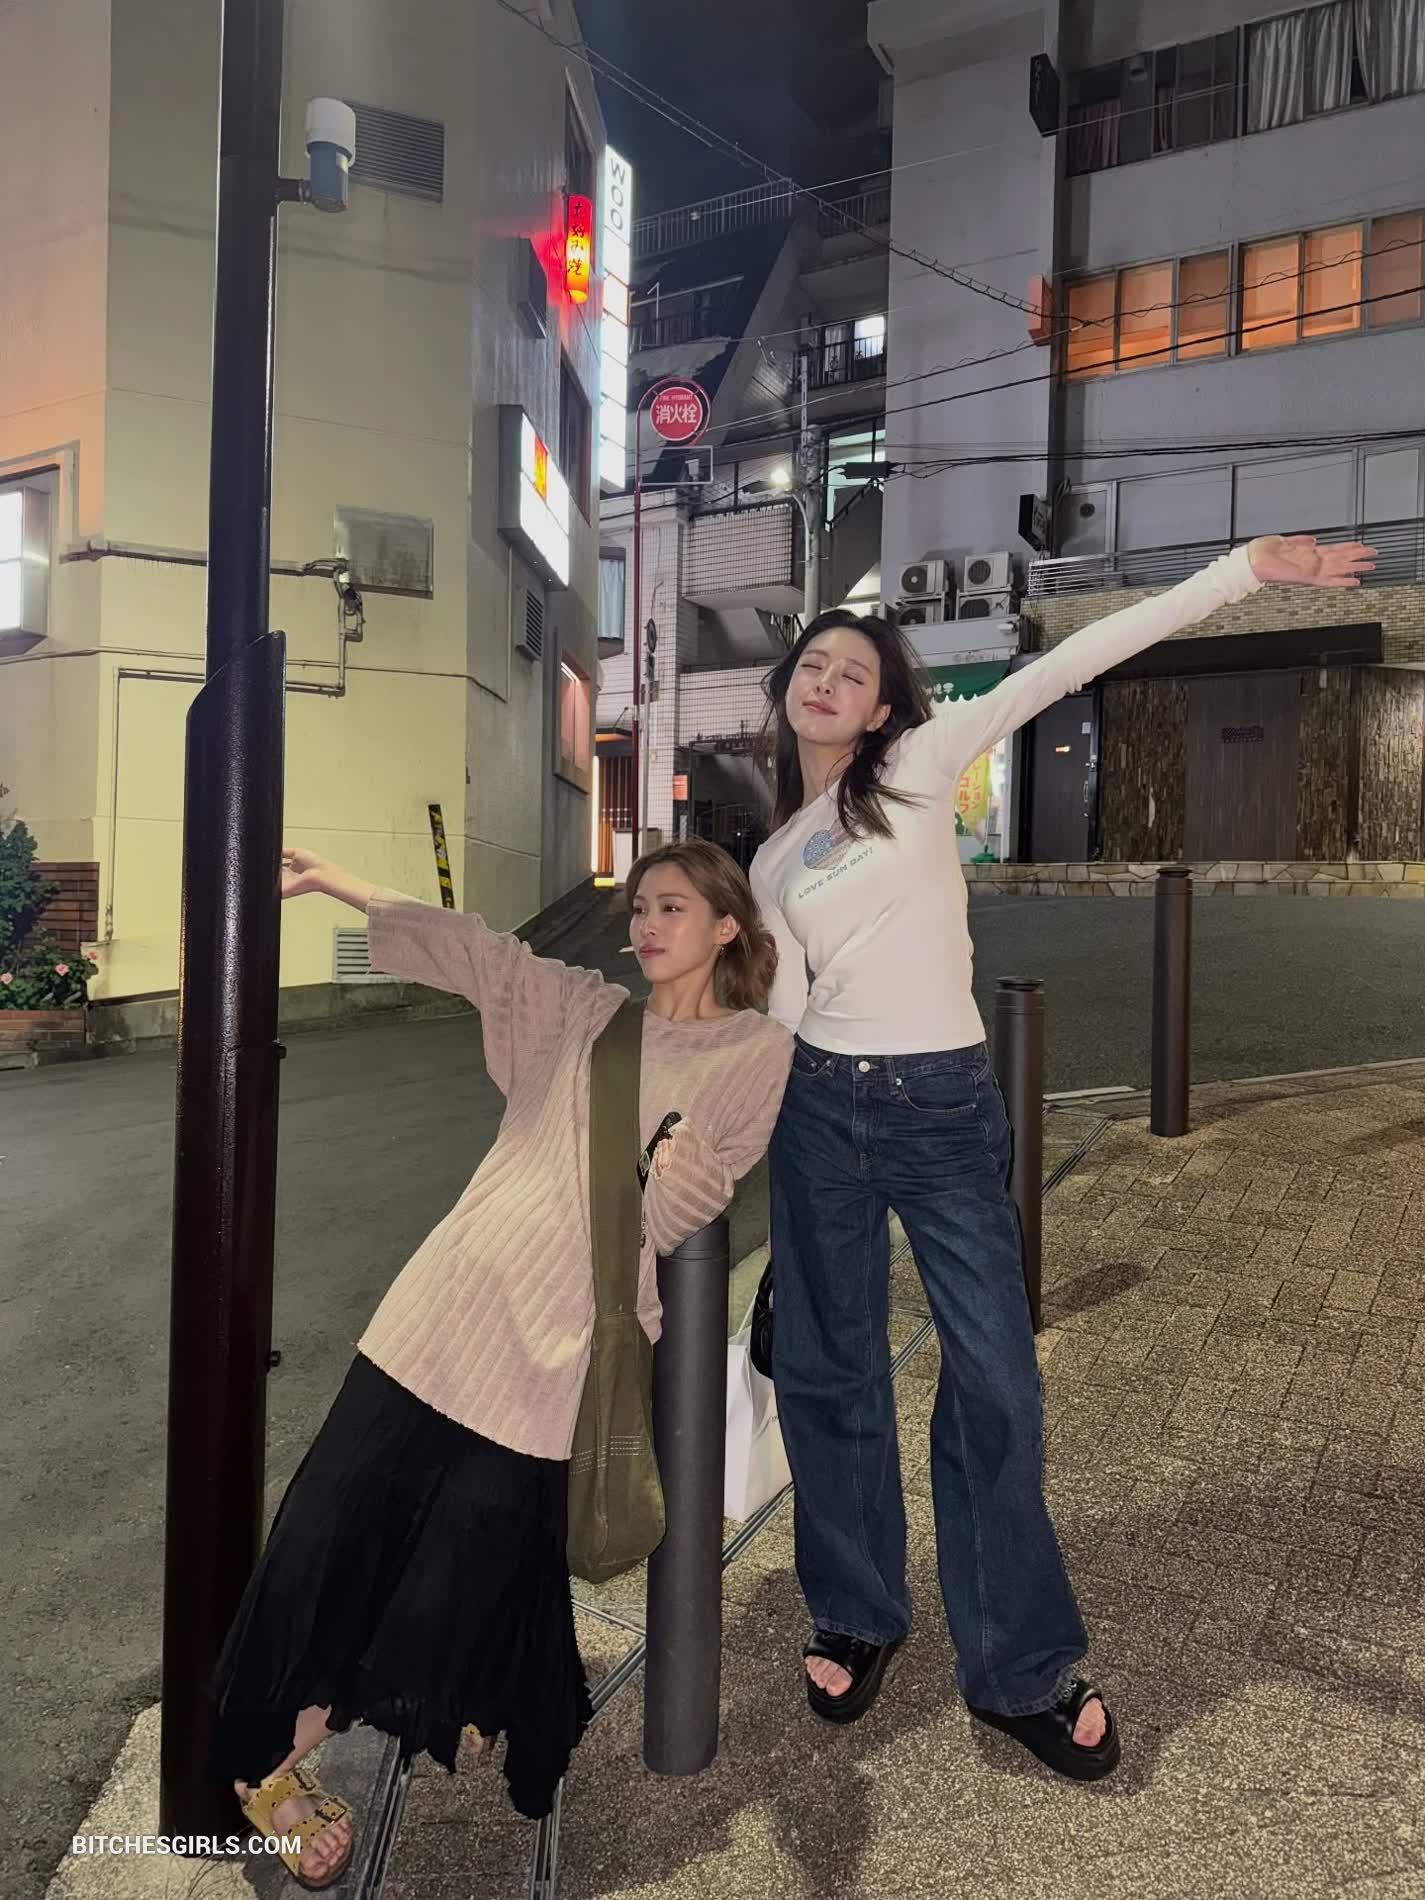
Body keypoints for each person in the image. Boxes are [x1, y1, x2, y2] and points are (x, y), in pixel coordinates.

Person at [749, 533, 1375, 1781]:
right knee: (829, 1373)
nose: (827, 680)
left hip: (940, 1105)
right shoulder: (774, 857)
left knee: (997, 1384)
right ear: (788, 688)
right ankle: (859, 1609)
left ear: (883, 708)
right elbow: (779, 1019)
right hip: (819, 1112)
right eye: (813, 663)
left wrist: (1242, 573)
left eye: (853, 671)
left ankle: (1017, 1665)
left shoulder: (918, 766)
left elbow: (1075, 660)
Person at [211, 839, 792, 1888]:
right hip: (442, 1309)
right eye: (639, 907)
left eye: (672, 906)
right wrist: (335, 878)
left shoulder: (759, 1052)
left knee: (464, 1571)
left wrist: (678, 1165)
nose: (646, 924)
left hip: (555, 1355)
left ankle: (406, 1705)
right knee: (329, 1539)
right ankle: (272, 1758)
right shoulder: (581, 1010)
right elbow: (472, 949)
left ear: (725, 928)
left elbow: (687, 1214)